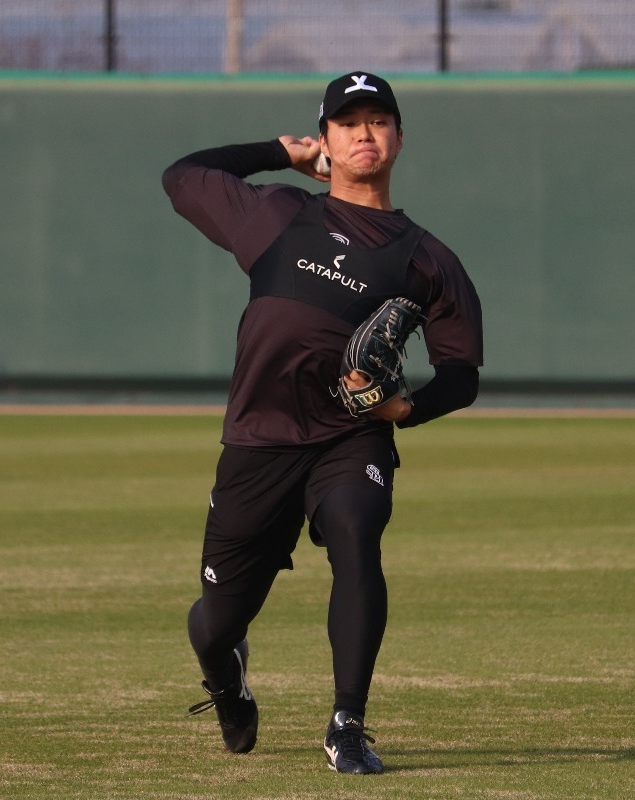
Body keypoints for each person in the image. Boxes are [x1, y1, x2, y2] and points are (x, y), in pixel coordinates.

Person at [162, 71, 483, 775]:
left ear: (399, 137)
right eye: (348, 122)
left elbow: (461, 375)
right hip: (259, 439)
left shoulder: (426, 260)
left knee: (356, 534)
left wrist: (405, 409)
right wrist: (279, 151)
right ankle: (226, 676)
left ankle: (348, 724)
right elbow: (184, 176)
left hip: (349, 435)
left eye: (378, 120)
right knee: (216, 622)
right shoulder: (276, 215)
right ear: (327, 140)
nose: (364, 132)